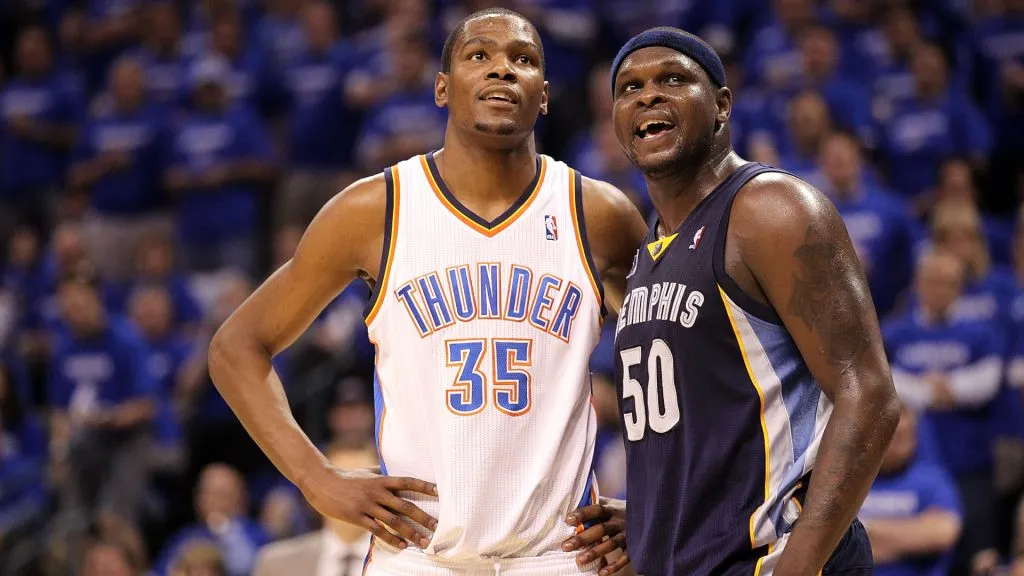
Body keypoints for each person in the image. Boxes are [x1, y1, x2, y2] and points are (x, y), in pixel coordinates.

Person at [208, 7, 646, 576]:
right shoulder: (376, 209)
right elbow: (236, 347)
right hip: (419, 557)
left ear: (543, 96)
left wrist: (654, 504)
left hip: (560, 556)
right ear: (442, 88)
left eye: (523, 60)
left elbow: (675, 370)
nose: (502, 71)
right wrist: (316, 480)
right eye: (479, 56)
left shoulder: (600, 214)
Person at [583, 27, 901, 575]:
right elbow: (710, 427)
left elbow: (869, 395)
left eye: (673, 79)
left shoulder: (769, 209)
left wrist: (799, 565)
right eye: (630, 88)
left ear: (722, 105)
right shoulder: (648, 253)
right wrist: (655, 520)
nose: (648, 95)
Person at [859, 405, 962, 576]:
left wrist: (865, 530)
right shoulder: (849, 481)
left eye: (904, 436)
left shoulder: (933, 480)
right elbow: (828, 543)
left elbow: (942, 534)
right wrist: (908, 540)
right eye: (890, 436)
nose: (897, 445)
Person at [253, 444, 377, 576]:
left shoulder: (400, 565)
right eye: (339, 484)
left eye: (363, 483)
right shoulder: (276, 564)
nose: (350, 495)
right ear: (315, 491)